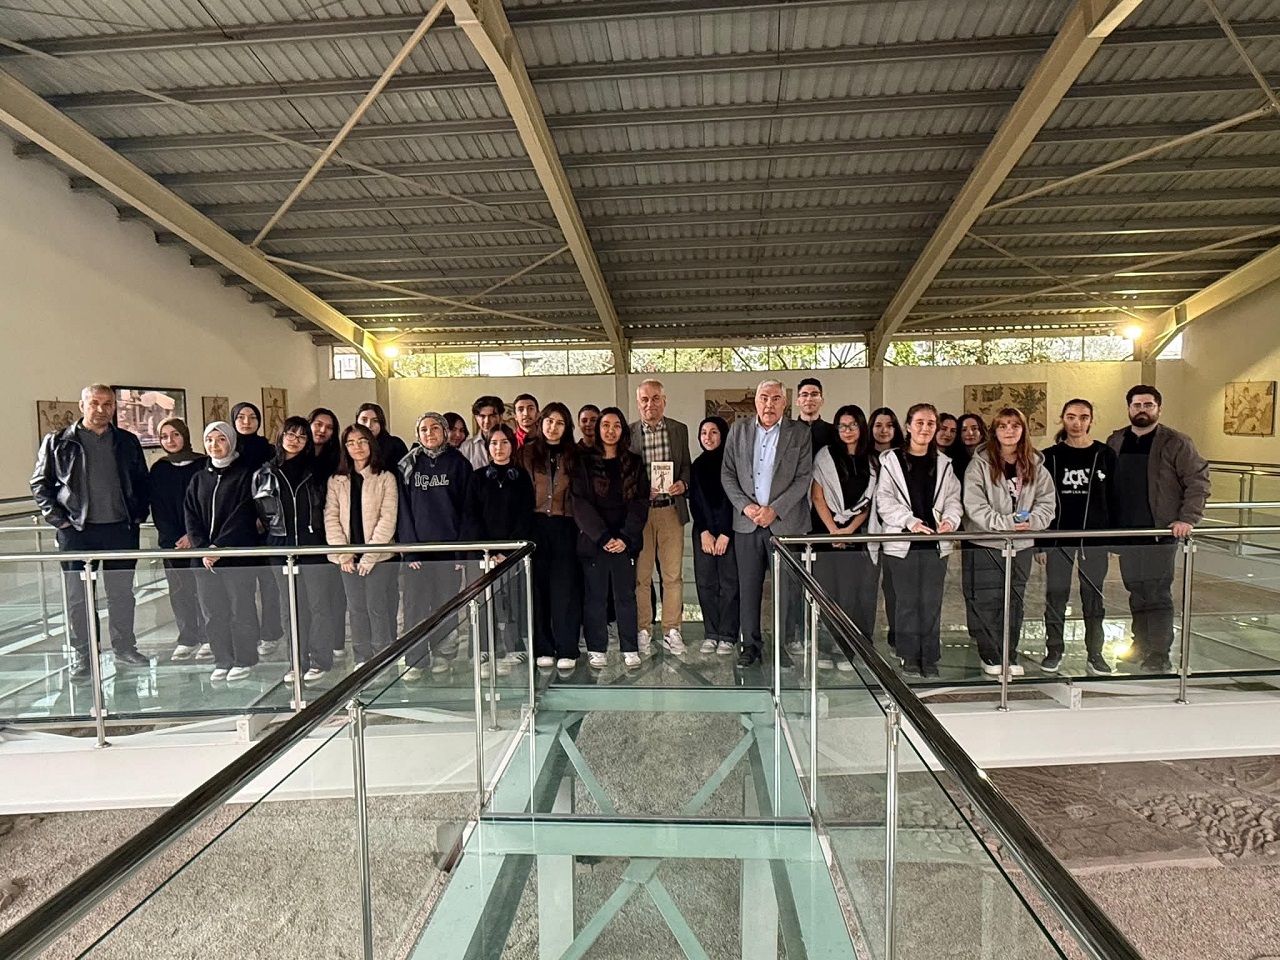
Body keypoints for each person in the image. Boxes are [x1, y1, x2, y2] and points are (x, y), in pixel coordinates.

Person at [32, 383, 151, 679]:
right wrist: (58, 520)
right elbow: (39, 484)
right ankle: (85, 656)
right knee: (78, 598)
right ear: (82, 405)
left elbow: (141, 480)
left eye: (107, 404)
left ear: (114, 407)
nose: (101, 410)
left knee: (121, 593)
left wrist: (138, 514)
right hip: (77, 532)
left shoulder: (126, 441)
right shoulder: (58, 441)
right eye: (95, 403)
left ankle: (125, 647)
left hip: (120, 530)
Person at [1106, 384, 1210, 673]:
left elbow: (1198, 481)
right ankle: (1140, 645)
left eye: (1148, 405)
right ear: (1129, 408)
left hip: (1160, 533)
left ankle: (1160, 652)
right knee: (1135, 590)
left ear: (1158, 409)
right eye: (1137, 405)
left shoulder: (1176, 442)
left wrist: (1187, 518)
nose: (1142, 410)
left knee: (1157, 592)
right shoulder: (1116, 440)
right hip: (1127, 533)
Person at [721, 379, 814, 667]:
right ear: (756, 401)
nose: (769, 404)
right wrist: (746, 506)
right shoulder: (738, 430)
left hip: (784, 524)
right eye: (764, 397)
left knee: (785, 591)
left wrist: (775, 510)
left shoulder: (800, 433)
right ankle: (750, 646)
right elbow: (727, 473)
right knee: (748, 588)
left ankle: (780, 646)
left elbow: (803, 477)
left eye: (775, 398)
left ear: (785, 403)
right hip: (747, 523)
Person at [962, 407, 1056, 677]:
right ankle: (990, 655)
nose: (1009, 430)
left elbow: (1047, 503)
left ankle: (1009, 653)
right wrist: (1007, 523)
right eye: (1003, 425)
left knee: (1015, 602)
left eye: (1015, 425)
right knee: (988, 601)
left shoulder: (1035, 464)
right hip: (987, 545)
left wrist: (1031, 522)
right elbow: (974, 506)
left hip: (1021, 545)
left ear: (1023, 430)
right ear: (994, 431)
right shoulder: (979, 464)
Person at [875, 403, 962, 678]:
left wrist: (950, 521)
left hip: (935, 544)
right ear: (909, 427)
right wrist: (909, 521)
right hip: (903, 542)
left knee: (931, 602)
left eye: (930, 423)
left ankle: (930, 656)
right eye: (920, 423)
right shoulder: (891, 461)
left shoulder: (944, 464)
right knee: (906, 602)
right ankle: (909, 655)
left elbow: (953, 500)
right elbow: (884, 500)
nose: (925, 428)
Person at [1039, 399, 1118, 676]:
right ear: (1062, 419)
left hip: (1094, 539)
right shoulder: (1049, 457)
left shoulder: (1105, 455)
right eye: (1071, 417)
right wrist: (1041, 542)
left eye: (1083, 417)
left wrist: (1113, 540)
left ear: (1091, 421)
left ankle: (1095, 653)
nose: (1077, 423)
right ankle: (1054, 649)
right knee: (1056, 595)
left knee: (1094, 597)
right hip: (1059, 538)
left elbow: (1114, 498)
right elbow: (1040, 500)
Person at [253, 416, 330, 683]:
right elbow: (261, 513)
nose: (295, 440)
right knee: (290, 608)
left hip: (313, 545)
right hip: (280, 547)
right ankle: (296, 662)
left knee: (318, 606)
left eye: (301, 436)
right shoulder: (264, 473)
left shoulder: (316, 471)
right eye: (290, 434)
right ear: (281, 435)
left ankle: (320, 661)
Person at [572, 408, 650, 668]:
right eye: (605, 425)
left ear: (623, 431)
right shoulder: (584, 463)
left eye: (616, 426)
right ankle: (597, 648)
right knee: (595, 597)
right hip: (595, 540)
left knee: (625, 596)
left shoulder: (634, 463)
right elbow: (579, 503)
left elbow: (640, 503)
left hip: (624, 542)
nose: (610, 430)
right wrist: (602, 536)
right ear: (598, 429)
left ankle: (630, 647)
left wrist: (625, 537)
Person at [184, 422, 261, 681]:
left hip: (236, 558)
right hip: (204, 560)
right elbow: (191, 515)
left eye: (221, 440)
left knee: (241, 610)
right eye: (209, 440)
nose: (214, 445)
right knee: (213, 613)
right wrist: (202, 548)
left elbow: (244, 515)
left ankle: (245, 659)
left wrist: (219, 547)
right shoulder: (199, 478)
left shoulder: (246, 475)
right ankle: (222, 659)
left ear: (231, 442)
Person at [397, 412, 472, 676]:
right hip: (418, 552)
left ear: (445, 432)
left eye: (435, 428)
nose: (429, 433)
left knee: (445, 605)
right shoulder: (408, 465)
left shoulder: (459, 464)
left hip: (448, 552)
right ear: (418, 434)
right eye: (424, 429)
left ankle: (443, 654)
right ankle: (415, 659)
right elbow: (402, 510)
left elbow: (467, 510)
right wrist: (409, 550)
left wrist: (460, 552)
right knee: (415, 606)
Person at [516, 403, 584, 670]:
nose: (553, 427)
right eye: (549, 421)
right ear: (541, 423)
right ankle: (543, 646)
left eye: (560, 423)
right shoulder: (526, 453)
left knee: (565, 588)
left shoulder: (575, 455)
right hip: (535, 525)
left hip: (566, 525)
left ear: (567, 427)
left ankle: (567, 647)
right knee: (538, 588)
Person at [463, 424, 535, 677]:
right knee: (483, 601)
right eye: (494, 443)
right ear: (487, 447)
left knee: (513, 600)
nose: (499, 448)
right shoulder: (477, 478)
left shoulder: (521, 477)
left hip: (512, 552)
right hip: (484, 553)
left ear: (512, 446)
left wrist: (507, 550)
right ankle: (482, 648)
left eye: (504, 442)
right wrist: (489, 550)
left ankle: (514, 646)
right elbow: (471, 516)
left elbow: (526, 515)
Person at [810, 404, 878, 669]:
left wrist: (849, 531)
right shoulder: (826, 455)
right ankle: (826, 649)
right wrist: (833, 531)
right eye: (842, 426)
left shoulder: (872, 460)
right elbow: (817, 496)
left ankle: (846, 650)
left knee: (851, 595)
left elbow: (869, 503)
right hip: (825, 534)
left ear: (861, 427)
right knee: (827, 593)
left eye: (852, 425)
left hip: (855, 536)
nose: (847, 430)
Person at [325, 424, 399, 668]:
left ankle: (382, 656)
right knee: (356, 609)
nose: (357, 447)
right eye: (351, 443)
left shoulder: (385, 477)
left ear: (371, 444)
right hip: (347, 558)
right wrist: (344, 554)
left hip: (378, 557)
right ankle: (362, 658)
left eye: (362, 441)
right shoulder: (336, 480)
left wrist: (369, 556)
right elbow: (331, 517)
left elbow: (387, 519)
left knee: (377, 607)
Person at [630, 379, 692, 655]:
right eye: (644, 399)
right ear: (638, 403)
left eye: (655, 398)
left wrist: (683, 484)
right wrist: (641, 491)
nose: (650, 404)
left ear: (664, 401)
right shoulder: (629, 433)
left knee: (672, 576)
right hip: (641, 514)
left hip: (670, 510)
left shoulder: (679, 430)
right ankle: (644, 629)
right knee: (641, 577)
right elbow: (624, 474)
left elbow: (686, 465)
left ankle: (672, 630)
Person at [149, 417, 207, 662]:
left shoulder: (203, 464)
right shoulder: (159, 469)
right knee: (180, 590)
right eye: (164, 436)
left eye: (175, 434)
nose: (170, 440)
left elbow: (206, 503)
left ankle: (208, 637)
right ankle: (187, 637)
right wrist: (175, 537)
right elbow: (158, 509)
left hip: (200, 538)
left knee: (204, 589)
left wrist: (192, 536)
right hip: (172, 542)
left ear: (185, 435)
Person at [230, 401, 282, 657]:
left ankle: (271, 633)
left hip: (266, 527)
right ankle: (247, 636)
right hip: (237, 529)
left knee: (270, 584)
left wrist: (263, 518)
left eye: (252, 417)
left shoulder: (269, 451)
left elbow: (273, 490)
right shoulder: (229, 451)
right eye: (241, 417)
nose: (246, 422)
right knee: (242, 588)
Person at [689, 416, 739, 657]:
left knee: (729, 584)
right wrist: (705, 532)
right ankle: (711, 633)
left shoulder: (733, 464)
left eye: (713, 432)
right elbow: (695, 502)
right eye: (703, 433)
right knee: (706, 582)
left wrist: (725, 533)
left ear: (723, 435)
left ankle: (728, 635)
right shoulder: (697, 465)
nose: (707, 437)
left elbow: (733, 501)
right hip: (704, 533)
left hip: (730, 533)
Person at [307, 407, 346, 658]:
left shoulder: (337, 461)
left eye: (329, 427)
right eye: (318, 425)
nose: (322, 430)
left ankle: (337, 642)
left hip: (333, 532)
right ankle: (314, 644)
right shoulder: (298, 458)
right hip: (307, 535)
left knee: (335, 592)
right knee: (314, 597)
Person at [869, 406, 904, 648]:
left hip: (896, 531)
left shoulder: (903, 457)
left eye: (889, 425)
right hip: (869, 530)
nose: (884, 430)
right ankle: (864, 637)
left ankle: (897, 636)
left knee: (895, 588)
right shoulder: (864, 457)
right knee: (867, 587)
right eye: (878, 425)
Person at [356, 402, 409, 473]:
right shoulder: (350, 446)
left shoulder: (395, 445)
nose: (369, 425)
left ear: (381, 423)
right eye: (364, 420)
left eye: (375, 421)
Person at [460, 396, 504, 469]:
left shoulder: (511, 443)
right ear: (476, 418)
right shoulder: (467, 447)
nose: (487, 421)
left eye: (492, 416)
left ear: (500, 417)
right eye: (482, 416)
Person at [796, 377, 836, 452]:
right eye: (804, 395)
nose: (809, 399)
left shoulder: (834, 432)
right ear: (797, 401)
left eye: (814, 394)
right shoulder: (787, 432)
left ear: (822, 401)